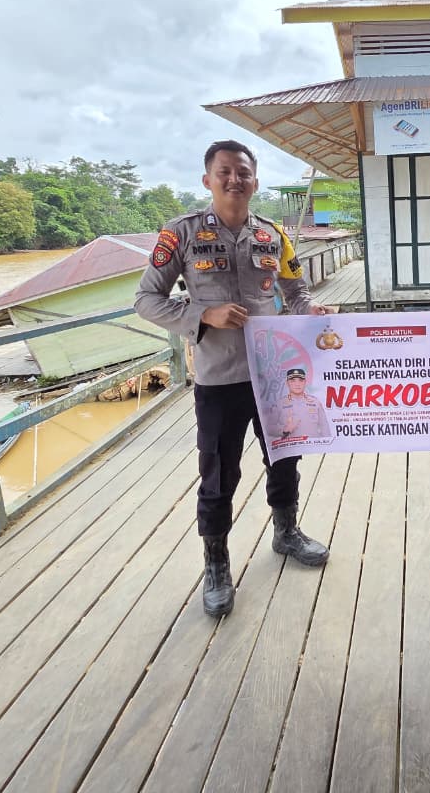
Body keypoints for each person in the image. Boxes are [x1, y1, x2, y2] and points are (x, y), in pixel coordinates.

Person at [135, 139, 331, 619]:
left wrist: (312, 310)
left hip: (276, 373)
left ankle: (286, 532)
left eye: (242, 172)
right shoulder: (180, 233)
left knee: (284, 458)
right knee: (219, 474)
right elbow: (145, 299)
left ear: (254, 181)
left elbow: (295, 289)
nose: (234, 179)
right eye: (224, 172)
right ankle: (216, 563)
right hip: (219, 379)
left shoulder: (272, 236)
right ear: (208, 180)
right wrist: (204, 314)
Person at [276, 366, 332, 442]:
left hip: (314, 447)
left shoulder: (315, 402)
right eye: (293, 380)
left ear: (305, 382)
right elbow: (268, 427)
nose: (297, 384)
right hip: (291, 448)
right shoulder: (280, 404)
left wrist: (327, 444)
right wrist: (284, 429)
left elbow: (324, 427)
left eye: (300, 380)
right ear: (287, 383)